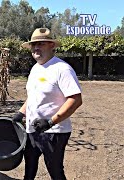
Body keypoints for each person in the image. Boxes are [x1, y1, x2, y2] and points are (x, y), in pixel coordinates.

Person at [12, 28, 83, 180]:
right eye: (34, 44)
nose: (36, 47)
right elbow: (33, 96)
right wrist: (20, 113)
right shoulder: (35, 68)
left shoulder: (62, 69)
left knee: (54, 168)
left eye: (41, 44)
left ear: (52, 46)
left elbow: (75, 99)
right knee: (29, 163)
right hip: (33, 129)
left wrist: (51, 122)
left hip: (55, 131)